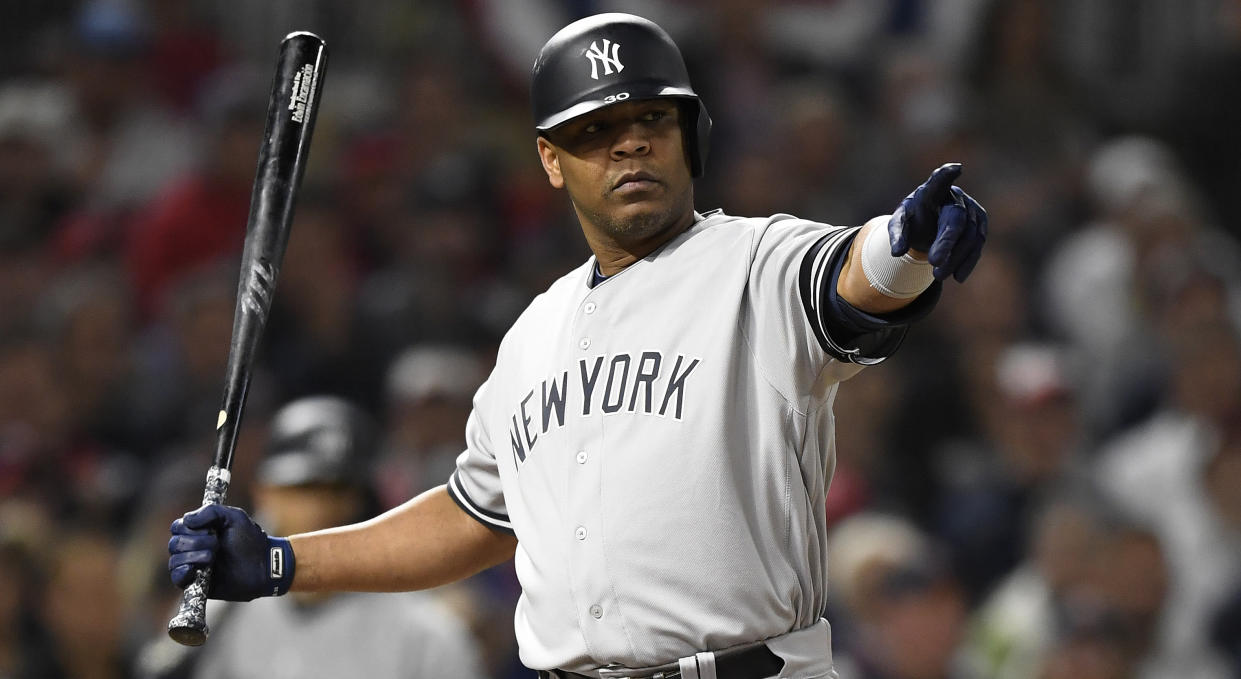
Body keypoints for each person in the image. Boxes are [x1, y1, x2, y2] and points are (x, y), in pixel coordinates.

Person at [169, 13, 986, 679]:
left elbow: (852, 277)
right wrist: (283, 562)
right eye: (596, 130)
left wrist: (903, 248)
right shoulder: (532, 335)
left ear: (688, 137)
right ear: (550, 162)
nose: (628, 143)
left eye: (649, 120)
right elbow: (474, 515)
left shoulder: (757, 262)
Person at [186, 396, 489, 679]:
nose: (318, 509)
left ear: (359, 500)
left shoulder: (426, 632)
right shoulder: (219, 615)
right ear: (263, 492)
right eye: (301, 489)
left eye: (335, 491)